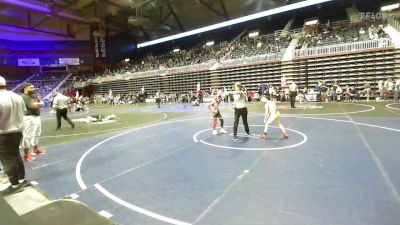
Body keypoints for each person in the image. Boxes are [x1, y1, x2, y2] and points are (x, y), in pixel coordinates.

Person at [0, 76, 30, 196]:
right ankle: (22, 179)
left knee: (7, 159)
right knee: (15, 155)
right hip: (17, 131)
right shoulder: (16, 96)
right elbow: (23, 112)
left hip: (3, 132)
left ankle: (15, 185)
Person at [20, 83, 45, 161]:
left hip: (36, 117)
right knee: (27, 136)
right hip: (28, 118)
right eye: (31, 87)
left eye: (33, 87)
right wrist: (38, 104)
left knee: (37, 133)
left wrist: (37, 104)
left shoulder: (34, 95)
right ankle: (26, 155)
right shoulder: (23, 97)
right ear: (25, 88)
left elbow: (43, 104)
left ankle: (35, 149)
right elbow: (31, 106)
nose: (33, 88)